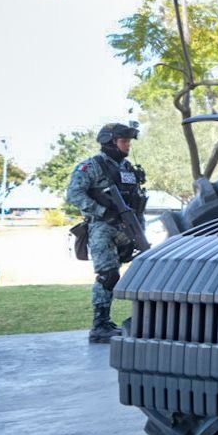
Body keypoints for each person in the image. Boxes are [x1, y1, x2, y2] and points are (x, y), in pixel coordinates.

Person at [66, 122, 148, 343]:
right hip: (102, 227)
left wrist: (139, 229)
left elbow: (136, 200)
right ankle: (100, 325)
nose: (127, 146)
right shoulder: (91, 166)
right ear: (110, 142)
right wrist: (101, 211)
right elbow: (74, 194)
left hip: (128, 228)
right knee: (108, 275)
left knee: (142, 267)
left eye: (129, 142)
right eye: (124, 141)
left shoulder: (128, 169)